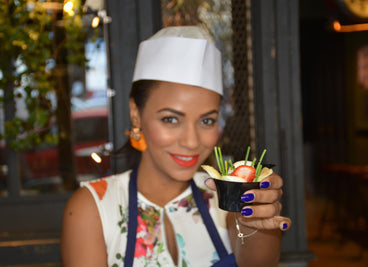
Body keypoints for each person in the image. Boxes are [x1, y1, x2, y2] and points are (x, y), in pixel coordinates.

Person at [61, 26, 291, 267]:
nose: (191, 141)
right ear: (136, 114)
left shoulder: (226, 197)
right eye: (170, 119)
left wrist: (254, 221)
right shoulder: (92, 209)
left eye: (206, 120)